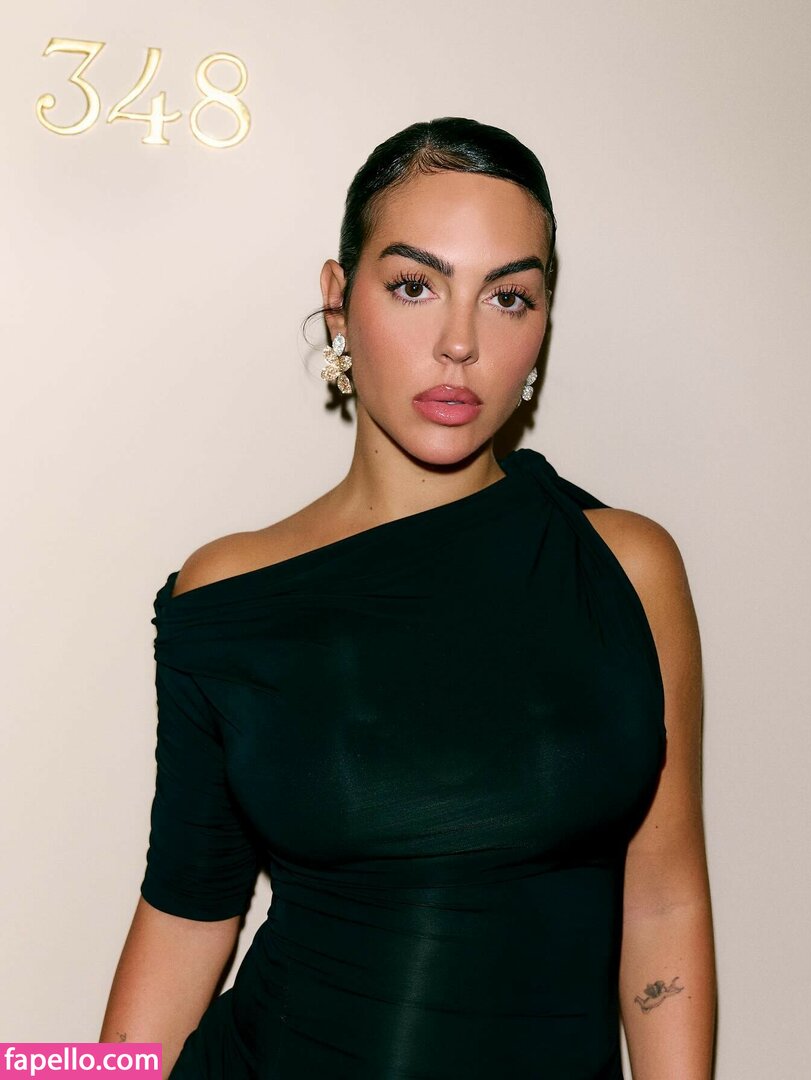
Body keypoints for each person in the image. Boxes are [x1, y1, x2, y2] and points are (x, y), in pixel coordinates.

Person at [100, 116, 716, 1078]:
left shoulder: (624, 569)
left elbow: (665, 899)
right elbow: (184, 915)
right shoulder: (227, 591)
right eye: (415, 286)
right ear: (338, 301)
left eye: (507, 297)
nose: (459, 342)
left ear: (542, 324)